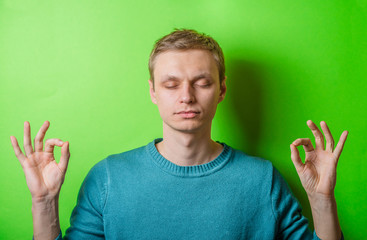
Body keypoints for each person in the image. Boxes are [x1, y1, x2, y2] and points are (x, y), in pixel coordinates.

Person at [10, 29, 348, 240]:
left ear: (221, 90)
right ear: (153, 92)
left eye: (202, 82)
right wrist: (43, 202)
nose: (186, 95)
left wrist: (321, 201)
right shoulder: (108, 178)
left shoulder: (262, 179)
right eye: (171, 84)